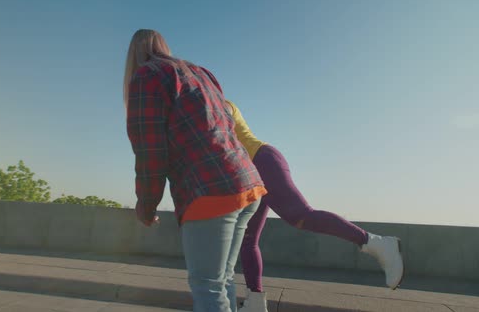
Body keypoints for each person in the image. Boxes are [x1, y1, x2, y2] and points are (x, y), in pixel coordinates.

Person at [123, 29, 267, 312]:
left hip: (211, 191)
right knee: (222, 279)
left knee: (207, 287)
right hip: (247, 182)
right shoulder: (201, 72)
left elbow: (150, 150)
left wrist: (147, 204)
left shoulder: (146, 76)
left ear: (133, 55)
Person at [223, 100, 404, 312]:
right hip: (249, 174)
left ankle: (378, 243)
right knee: (249, 239)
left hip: (261, 160)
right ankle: (254, 302)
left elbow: (219, 135)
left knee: (300, 216)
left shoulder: (220, 104)